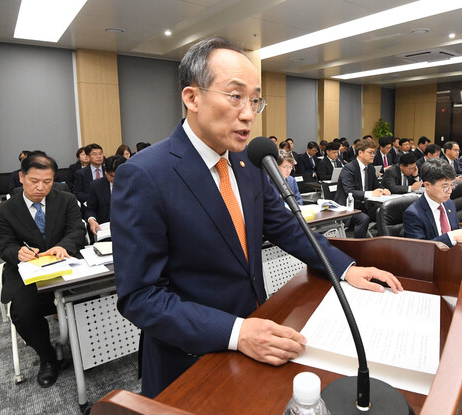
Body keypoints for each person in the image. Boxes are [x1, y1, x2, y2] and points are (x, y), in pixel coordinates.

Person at [111, 37, 402, 398]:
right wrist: (236, 332)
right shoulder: (145, 174)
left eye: (254, 100)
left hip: (258, 335)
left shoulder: (247, 164)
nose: (249, 113)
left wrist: (344, 268)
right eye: (235, 96)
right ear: (192, 98)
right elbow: (141, 296)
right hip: (191, 357)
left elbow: (288, 228)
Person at [0, 151, 85, 388]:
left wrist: (63, 246)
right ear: (22, 177)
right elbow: (4, 245)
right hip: (28, 273)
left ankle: (87, 347)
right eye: (34, 181)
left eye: (48, 181)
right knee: (24, 313)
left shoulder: (65, 200)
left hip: (64, 265)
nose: (41, 188)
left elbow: (77, 230)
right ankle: (47, 357)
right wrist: (17, 253)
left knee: (94, 293)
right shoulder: (3, 211)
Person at [403, 158, 462, 247]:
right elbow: (420, 249)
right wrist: (451, 237)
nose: (450, 191)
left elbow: (455, 229)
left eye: (452, 185)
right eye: (445, 186)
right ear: (427, 186)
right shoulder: (413, 214)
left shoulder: (449, 204)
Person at [335, 138, 391, 238]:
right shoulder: (349, 168)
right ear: (360, 152)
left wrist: (383, 189)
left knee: (385, 212)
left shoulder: (370, 167)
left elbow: (376, 185)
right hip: (349, 207)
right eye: (370, 152)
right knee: (363, 219)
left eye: (374, 152)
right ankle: (358, 246)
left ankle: (382, 241)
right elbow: (349, 191)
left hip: (365, 205)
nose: (373, 155)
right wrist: (370, 193)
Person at [86, 155, 127, 237]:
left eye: (119, 176)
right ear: (105, 172)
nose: (116, 180)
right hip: (105, 230)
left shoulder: (134, 184)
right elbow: (90, 209)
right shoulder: (96, 186)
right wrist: (92, 220)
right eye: (112, 176)